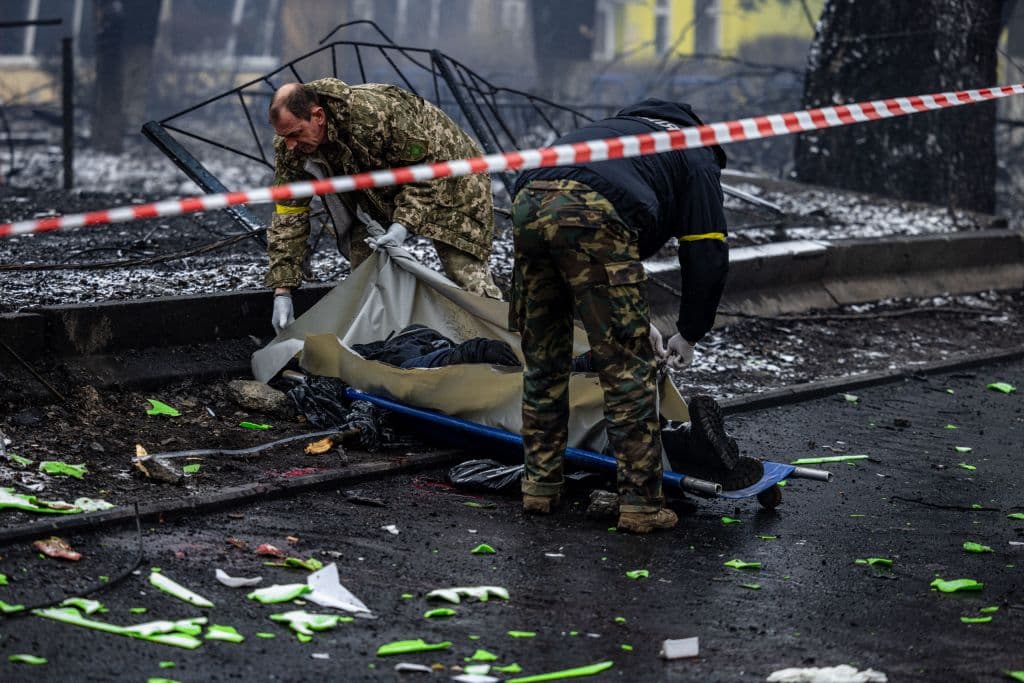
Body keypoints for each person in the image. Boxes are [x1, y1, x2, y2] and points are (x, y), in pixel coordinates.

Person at [510, 99, 734, 534]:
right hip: (594, 211)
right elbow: (706, 252)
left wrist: (636, 318)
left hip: (529, 197)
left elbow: (587, 268)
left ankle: (539, 486)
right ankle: (641, 505)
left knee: (544, 359)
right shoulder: (696, 152)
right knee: (626, 368)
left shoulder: (614, 131)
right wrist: (689, 332)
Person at [266, 79, 503, 334]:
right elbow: (288, 215)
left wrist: (402, 225)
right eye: (284, 136)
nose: (290, 144)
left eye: (295, 134)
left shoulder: (372, 115)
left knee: (464, 271)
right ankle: (381, 346)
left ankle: (502, 345)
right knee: (365, 275)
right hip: (379, 190)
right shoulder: (291, 148)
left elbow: (424, 174)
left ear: (318, 116)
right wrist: (283, 291)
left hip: (452, 174)